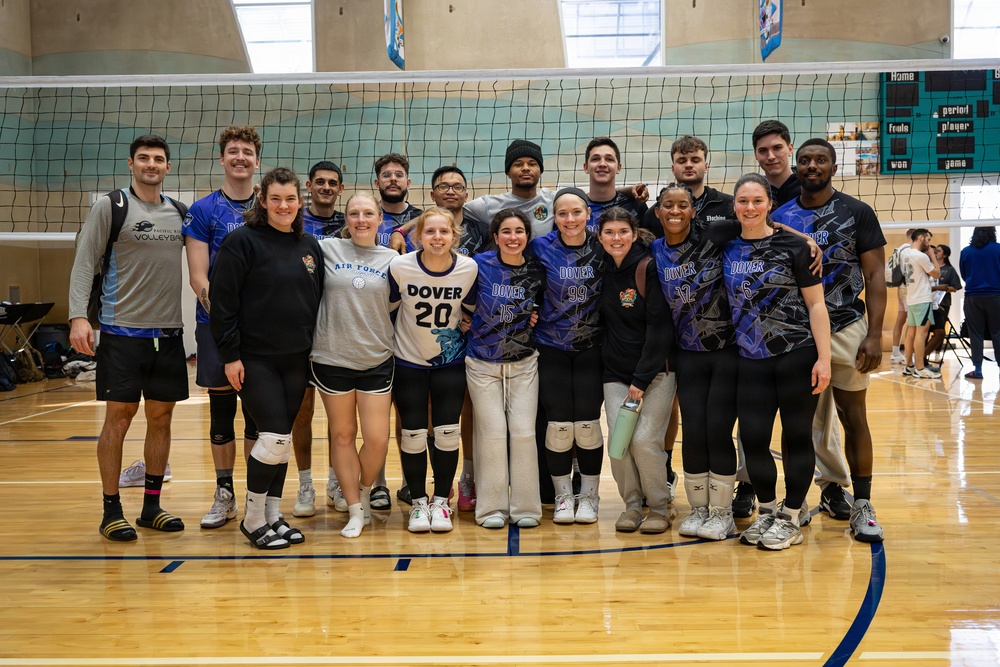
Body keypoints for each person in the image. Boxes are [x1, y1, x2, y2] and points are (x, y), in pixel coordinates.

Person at [69, 134, 188, 541]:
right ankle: (111, 510)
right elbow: (85, 262)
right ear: (131, 164)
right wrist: (77, 317)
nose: (151, 164)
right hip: (122, 333)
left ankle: (151, 506)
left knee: (162, 418)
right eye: (143, 158)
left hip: (169, 334)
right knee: (119, 419)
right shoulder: (111, 206)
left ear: (168, 167)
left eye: (158, 159)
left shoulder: (180, 212)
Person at [773, 138, 888, 542]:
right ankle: (797, 501)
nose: (811, 166)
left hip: (846, 327)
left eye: (820, 160)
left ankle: (863, 504)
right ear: (796, 166)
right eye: (804, 160)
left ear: (834, 167)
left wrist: (874, 335)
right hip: (796, 333)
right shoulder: (779, 216)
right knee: (797, 424)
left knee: (852, 416)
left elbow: (875, 276)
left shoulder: (857, 212)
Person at [209, 167, 324, 549]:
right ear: (263, 200)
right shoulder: (241, 242)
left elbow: (316, 299)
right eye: (275, 199)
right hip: (254, 358)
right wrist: (230, 355)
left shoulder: (308, 245)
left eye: (291, 199)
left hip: (296, 359)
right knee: (272, 436)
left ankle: (273, 515)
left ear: (299, 202)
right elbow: (222, 303)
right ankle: (253, 518)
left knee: (281, 439)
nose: (283, 206)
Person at [719, 173, 831, 551]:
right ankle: (768, 512)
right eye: (743, 201)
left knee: (797, 435)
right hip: (750, 358)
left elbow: (817, 305)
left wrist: (824, 359)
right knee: (753, 438)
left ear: (769, 204)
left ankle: (792, 514)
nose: (749, 208)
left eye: (757, 201)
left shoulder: (794, 247)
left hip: (796, 355)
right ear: (734, 205)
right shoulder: (725, 242)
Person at [182, 125, 264, 530]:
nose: (240, 157)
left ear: (257, 161)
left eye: (247, 151)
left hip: (260, 331)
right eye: (233, 151)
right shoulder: (202, 210)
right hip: (216, 327)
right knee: (220, 412)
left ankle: (254, 497)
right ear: (222, 158)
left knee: (254, 414)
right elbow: (199, 277)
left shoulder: (269, 208)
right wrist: (225, 320)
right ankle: (224, 493)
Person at [650, 183, 741, 541]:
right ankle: (699, 509)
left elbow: (766, 222)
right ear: (658, 212)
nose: (675, 211)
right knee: (694, 429)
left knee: (717, 428)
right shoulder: (653, 249)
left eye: (683, 205)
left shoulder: (714, 237)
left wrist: (803, 238)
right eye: (668, 205)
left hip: (725, 350)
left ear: (693, 211)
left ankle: (722, 512)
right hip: (686, 354)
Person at [310, 193, 397, 538]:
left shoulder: (394, 260)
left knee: (377, 439)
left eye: (368, 214)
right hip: (332, 357)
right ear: (346, 219)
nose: (361, 219)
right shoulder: (327, 249)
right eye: (354, 214)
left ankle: (363, 490)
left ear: (380, 220)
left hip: (377, 357)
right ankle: (355, 509)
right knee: (343, 435)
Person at [388, 207, 478, 533]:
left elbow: (473, 311)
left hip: (449, 364)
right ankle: (417, 502)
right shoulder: (399, 267)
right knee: (411, 434)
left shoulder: (468, 268)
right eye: (430, 232)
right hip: (408, 362)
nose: (437, 238)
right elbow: (385, 310)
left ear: (454, 236)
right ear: (418, 237)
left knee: (446, 433)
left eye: (444, 232)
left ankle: (441, 502)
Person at [465, 209, 545, 528]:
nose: (513, 237)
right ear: (495, 237)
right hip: (482, 362)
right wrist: (460, 316)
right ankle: (491, 509)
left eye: (519, 231)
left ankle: (527, 507)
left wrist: (536, 315)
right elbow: (457, 294)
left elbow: (545, 304)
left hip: (524, 363)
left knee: (524, 432)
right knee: (493, 433)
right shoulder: (477, 265)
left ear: (527, 236)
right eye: (506, 232)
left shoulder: (537, 270)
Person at [597, 207, 676, 533]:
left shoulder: (648, 268)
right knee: (619, 441)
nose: (616, 239)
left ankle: (659, 506)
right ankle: (631, 504)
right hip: (615, 374)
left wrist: (641, 380)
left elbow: (661, 330)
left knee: (643, 440)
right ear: (599, 237)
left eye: (622, 232)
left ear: (633, 233)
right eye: (609, 233)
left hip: (655, 372)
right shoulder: (599, 269)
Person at [531, 187, 606, 524]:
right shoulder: (541, 247)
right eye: (563, 213)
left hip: (593, 347)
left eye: (577, 212)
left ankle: (589, 495)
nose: (570, 219)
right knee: (559, 425)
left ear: (588, 213)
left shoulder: (603, 245)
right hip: (551, 346)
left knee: (588, 425)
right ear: (554, 217)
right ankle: (563, 496)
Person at [293, 159, 347, 518]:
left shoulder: (350, 223)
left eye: (333, 183)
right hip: (299, 328)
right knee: (302, 414)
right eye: (320, 182)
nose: (326, 187)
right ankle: (305, 485)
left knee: (337, 417)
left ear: (340, 189)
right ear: (309, 186)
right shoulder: (294, 223)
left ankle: (335, 481)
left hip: (339, 330)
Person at [429, 165, 484, 513]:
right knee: (433, 410)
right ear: (432, 193)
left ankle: (468, 475)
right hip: (431, 332)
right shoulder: (424, 228)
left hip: (473, 330)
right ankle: (436, 481)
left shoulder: (481, 230)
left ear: (466, 194)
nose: (450, 191)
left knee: (469, 407)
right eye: (443, 186)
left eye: (457, 186)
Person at [641, 135, 734, 238]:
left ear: (706, 167)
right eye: (682, 161)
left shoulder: (729, 205)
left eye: (695, 160)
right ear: (673, 169)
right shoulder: (654, 215)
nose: (688, 165)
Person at [959, 227, 1000, 380]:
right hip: (996, 296)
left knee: (975, 333)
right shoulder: (998, 249)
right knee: (998, 332)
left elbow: (964, 274)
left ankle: (977, 369)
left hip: (973, 296)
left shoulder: (966, 251)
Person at [583, 137, 647, 232]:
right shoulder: (577, 208)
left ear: (618, 168)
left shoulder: (635, 205)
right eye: (595, 159)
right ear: (586, 167)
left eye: (609, 159)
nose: (602, 164)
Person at [902, 229, 941, 379]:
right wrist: (932, 256)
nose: (929, 244)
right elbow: (937, 274)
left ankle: (909, 366)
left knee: (911, 333)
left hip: (911, 298)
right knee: (921, 334)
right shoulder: (921, 256)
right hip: (922, 299)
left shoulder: (905, 254)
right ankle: (920, 368)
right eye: (928, 240)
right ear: (920, 238)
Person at [375, 152, 422, 251]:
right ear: (377, 183)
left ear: (408, 183)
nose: (393, 179)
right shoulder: (366, 216)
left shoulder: (422, 218)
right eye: (386, 175)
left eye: (399, 175)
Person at [924, 244, 962, 369]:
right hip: (927, 303)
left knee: (939, 331)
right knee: (924, 332)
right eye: (935, 251)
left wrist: (944, 289)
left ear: (944, 255)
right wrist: (937, 288)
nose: (936, 253)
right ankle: (921, 358)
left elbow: (956, 287)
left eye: (938, 251)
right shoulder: (928, 266)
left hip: (942, 303)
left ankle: (936, 353)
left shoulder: (949, 270)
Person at [752, 120, 800, 207]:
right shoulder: (752, 192)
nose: (771, 157)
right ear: (755, 154)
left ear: (790, 149)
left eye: (777, 148)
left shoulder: (810, 188)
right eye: (763, 150)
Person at [889, 230, 915, 365]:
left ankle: (895, 353)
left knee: (900, 320)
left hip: (901, 288)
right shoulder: (911, 250)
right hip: (909, 288)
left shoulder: (899, 249)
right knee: (912, 322)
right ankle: (909, 355)